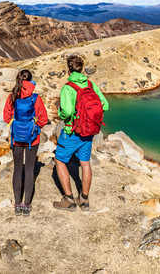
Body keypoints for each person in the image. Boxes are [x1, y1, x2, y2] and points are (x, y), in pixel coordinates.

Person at [53, 55, 109, 212]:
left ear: (69, 69)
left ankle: (69, 200)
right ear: (82, 68)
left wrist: (61, 114)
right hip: (89, 132)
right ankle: (84, 200)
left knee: (59, 160)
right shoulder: (90, 84)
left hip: (72, 131)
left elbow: (67, 111)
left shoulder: (68, 87)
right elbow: (105, 105)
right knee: (85, 163)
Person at [3, 69, 48, 216]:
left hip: (16, 138)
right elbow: (43, 118)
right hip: (32, 139)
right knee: (29, 170)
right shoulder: (35, 98)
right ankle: (27, 205)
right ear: (31, 80)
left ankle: (17, 204)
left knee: (17, 169)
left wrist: (15, 125)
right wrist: (35, 128)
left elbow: (6, 116)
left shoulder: (12, 96)